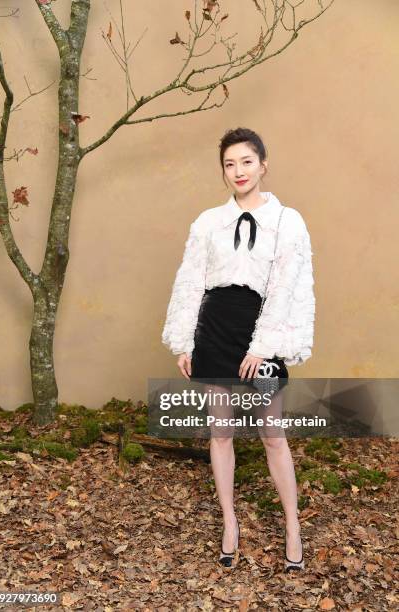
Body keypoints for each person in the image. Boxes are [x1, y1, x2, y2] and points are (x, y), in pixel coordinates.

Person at [161, 127, 315, 572]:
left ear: (263, 165)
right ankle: (230, 523)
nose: (238, 171)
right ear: (223, 172)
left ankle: (291, 526)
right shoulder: (207, 222)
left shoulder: (289, 221)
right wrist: (184, 339)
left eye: (246, 161)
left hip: (260, 332)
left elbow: (288, 285)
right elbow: (189, 281)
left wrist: (264, 347)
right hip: (214, 332)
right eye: (229, 164)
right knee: (221, 433)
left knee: (272, 436)